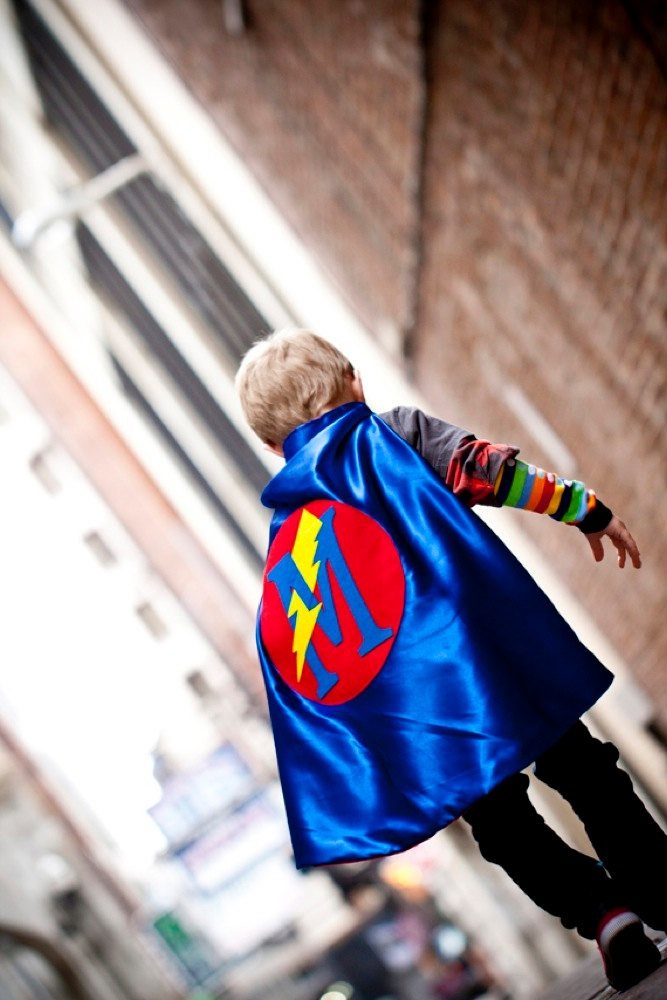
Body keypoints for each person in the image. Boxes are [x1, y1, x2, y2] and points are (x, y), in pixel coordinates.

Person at [235, 328, 666, 991]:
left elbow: (304, 658)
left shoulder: (292, 543)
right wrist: (585, 509)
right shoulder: (395, 436)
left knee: (500, 823)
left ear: (272, 447)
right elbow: (487, 469)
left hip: (428, 713)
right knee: (583, 770)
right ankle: (658, 886)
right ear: (354, 380)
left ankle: (601, 913)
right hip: (495, 655)